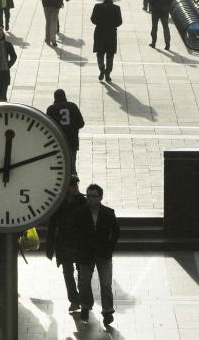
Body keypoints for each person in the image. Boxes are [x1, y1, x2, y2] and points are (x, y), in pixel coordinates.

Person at [75, 184, 120, 326]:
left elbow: (116, 231)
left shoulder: (108, 213)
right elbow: (74, 232)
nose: (90, 199)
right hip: (85, 253)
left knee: (106, 283)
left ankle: (107, 311)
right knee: (83, 282)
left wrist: (110, 247)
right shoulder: (80, 212)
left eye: (93, 196)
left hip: (103, 253)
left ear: (100, 197)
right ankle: (86, 306)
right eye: (88, 195)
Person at [46, 175, 86, 312]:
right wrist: (50, 246)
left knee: (81, 272)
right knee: (68, 273)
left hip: (79, 243)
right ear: (66, 187)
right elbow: (52, 225)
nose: (75, 187)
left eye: (76, 185)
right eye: (72, 185)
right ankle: (74, 300)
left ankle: (81, 297)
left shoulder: (82, 201)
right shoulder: (58, 203)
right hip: (64, 243)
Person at [46, 89, 85, 175]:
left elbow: (48, 126)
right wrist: (72, 128)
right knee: (72, 165)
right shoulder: (73, 106)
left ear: (55, 97)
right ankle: (73, 182)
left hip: (58, 141)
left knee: (60, 164)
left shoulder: (51, 109)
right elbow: (81, 123)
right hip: (72, 140)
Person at [91, 0, 122, 82]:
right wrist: (112, 25)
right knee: (110, 55)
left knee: (100, 54)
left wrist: (100, 23)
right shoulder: (116, 8)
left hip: (99, 33)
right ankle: (107, 73)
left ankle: (102, 69)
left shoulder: (97, 6)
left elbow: (93, 19)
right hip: (111, 34)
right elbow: (119, 22)